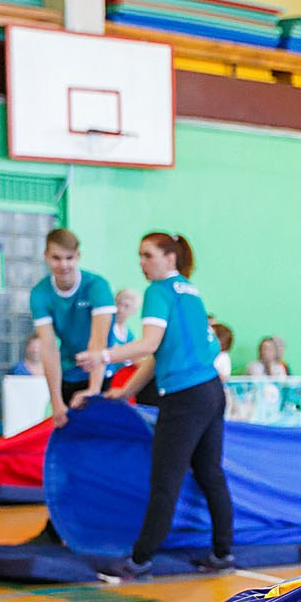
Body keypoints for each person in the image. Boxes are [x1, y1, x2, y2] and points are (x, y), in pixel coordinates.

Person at [78, 232, 234, 581]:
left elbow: (148, 342)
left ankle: (139, 560)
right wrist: (126, 390)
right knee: (210, 474)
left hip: (185, 397)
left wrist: (102, 356)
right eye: (140, 255)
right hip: (210, 391)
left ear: (169, 259)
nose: (142, 263)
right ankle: (223, 552)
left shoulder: (158, 292)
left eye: (148, 255)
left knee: (165, 480)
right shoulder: (190, 292)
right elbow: (157, 353)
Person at [28, 228, 115, 429]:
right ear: (46, 256)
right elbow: (49, 348)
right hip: (69, 372)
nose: (64, 265)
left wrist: (94, 389)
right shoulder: (40, 294)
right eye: (56, 258)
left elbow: (98, 341)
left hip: (101, 371)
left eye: (69, 258)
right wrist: (56, 402)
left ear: (78, 256)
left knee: (100, 436)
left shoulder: (96, 286)